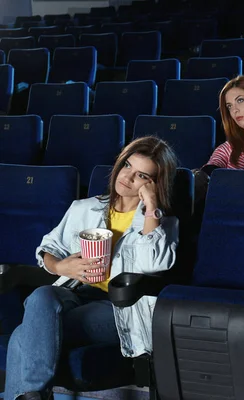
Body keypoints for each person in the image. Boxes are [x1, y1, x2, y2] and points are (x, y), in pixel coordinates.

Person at [5, 137, 180, 400]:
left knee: (24, 334)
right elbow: (48, 248)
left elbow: (154, 264)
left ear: (154, 184)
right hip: (76, 293)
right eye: (127, 166)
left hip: (119, 309)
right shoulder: (84, 208)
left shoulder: (160, 223)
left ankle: (32, 394)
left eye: (141, 175)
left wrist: (151, 207)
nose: (128, 177)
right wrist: (61, 265)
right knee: (42, 296)